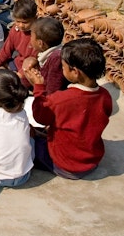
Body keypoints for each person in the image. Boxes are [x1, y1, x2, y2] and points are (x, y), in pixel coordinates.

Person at [31, 38, 112, 178]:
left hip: (65, 166)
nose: (62, 70)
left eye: (63, 67)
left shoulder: (61, 100)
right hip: (92, 161)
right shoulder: (105, 96)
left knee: (27, 137)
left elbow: (40, 116)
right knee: (41, 131)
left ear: (75, 71)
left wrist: (38, 87)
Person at [22, 17, 67, 94]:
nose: (30, 39)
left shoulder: (56, 59)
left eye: (32, 36)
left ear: (40, 43)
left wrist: (35, 82)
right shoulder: (45, 54)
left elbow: (51, 93)